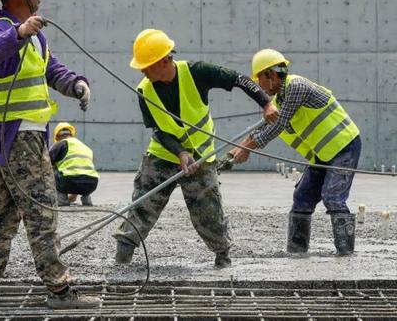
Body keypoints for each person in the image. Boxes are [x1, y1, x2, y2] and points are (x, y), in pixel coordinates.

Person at [0, 0, 100, 309]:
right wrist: (18, 32)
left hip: (9, 139)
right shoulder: (2, 28)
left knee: (6, 215)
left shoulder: (33, 37)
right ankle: (59, 291)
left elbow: (49, 68)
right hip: (19, 138)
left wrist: (75, 84)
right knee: (42, 213)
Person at [112, 29, 279, 268]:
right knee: (143, 205)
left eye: (146, 65)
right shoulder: (144, 90)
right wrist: (180, 153)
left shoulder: (196, 72)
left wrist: (266, 103)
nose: (142, 71)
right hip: (162, 154)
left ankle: (223, 257)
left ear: (164, 61)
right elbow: (159, 131)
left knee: (209, 210)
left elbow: (239, 79)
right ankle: (122, 258)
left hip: (201, 156)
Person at [230, 49, 361, 256]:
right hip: (323, 152)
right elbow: (264, 126)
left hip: (344, 145)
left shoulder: (296, 87)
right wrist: (240, 147)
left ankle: (346, 255)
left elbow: (278, 124)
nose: (259, 87)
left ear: (270, 75)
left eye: (259, 80)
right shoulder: (278, 101)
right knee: (303, 197)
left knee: (333, 196)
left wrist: (247, 149)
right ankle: (296, 252)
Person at [49, 122, 100, 207]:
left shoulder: (61, 144)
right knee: (84, 172)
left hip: (69, 182)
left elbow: (46, 163)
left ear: (58, 136)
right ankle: (86, 199)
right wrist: (75, 193)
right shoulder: (85, 147)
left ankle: (62, 200)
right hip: (92, 184)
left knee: (50, 169)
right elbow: (79, 170)